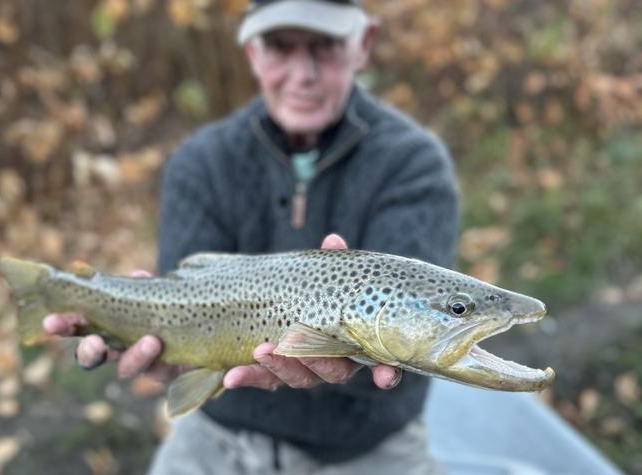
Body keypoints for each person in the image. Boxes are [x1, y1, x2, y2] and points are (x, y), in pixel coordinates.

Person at [45, 1, 459, 473]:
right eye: (281, 48)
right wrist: (126, 332)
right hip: (215, 438)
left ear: (363, 44)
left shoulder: (413, 164)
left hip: (367, 447)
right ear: (251, 52)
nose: (303, 74)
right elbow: (183, 299)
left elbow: (408, 343)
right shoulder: (200, 163)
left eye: (324, 48)